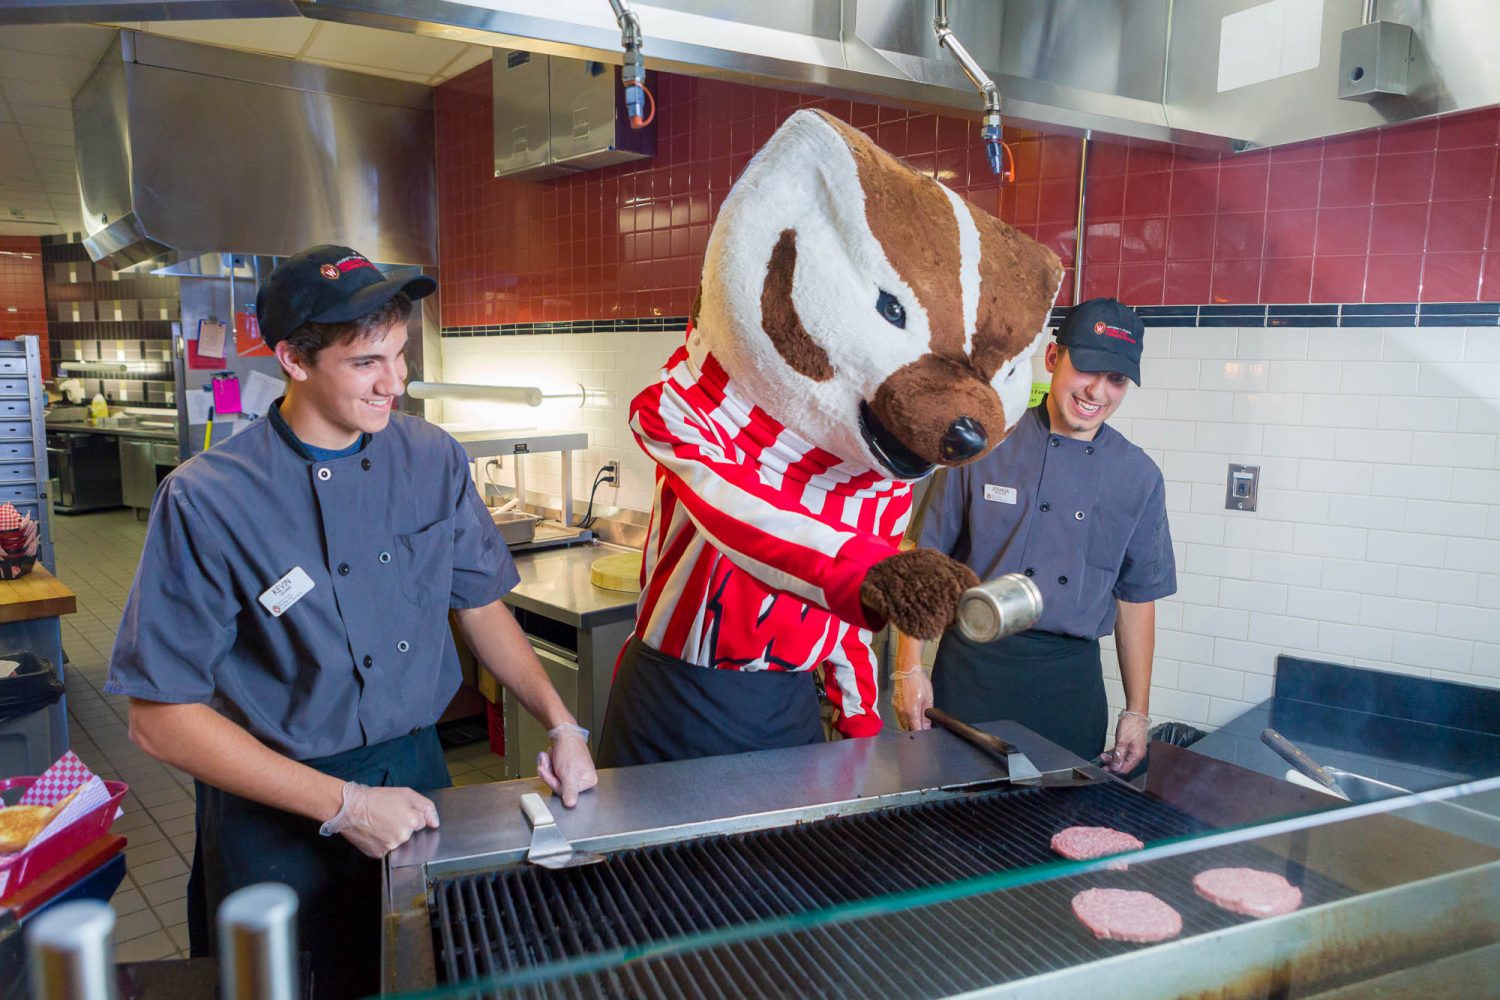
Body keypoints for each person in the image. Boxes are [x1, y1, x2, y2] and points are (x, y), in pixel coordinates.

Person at [105, 245, 597, 1000]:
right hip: (273, 811)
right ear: (293, 361)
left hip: (418, 782)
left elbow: (480, 603)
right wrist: (344, 805)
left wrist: (561, 723)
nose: (394, 384)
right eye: (367, 362)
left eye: (400, 356)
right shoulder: (208, 500)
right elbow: (159, 719)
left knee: (421, 974)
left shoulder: (431, 457)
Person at [891, 298, 1175, 773]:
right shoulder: (985, 444)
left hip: (1068, 688)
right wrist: (909, 667)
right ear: (1052, 358)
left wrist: (1136, 713)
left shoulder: (1138, 476)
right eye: (1086, 369)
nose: (1097, 392)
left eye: (1117, 380)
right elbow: (927, 561)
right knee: (950, 830)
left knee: (1055, 831)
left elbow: (1137, 598)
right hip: (971, 673)